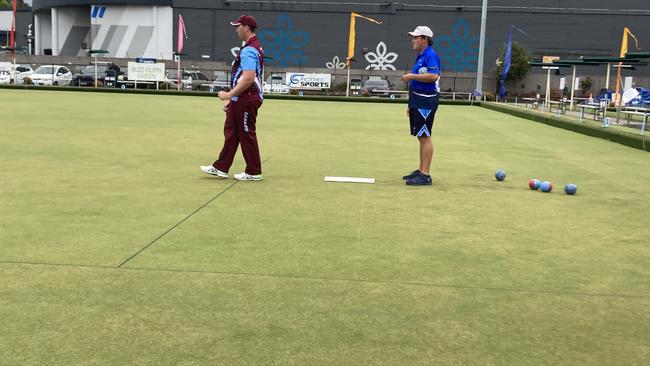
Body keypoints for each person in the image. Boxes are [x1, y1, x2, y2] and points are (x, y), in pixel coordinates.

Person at [200, 15, 265, 181]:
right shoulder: (251, 47)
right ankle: (221, 167)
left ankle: (254, 172)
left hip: (247, 99)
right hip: (241, 99)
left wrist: (229, 95)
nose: (236, 30)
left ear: (246, 28)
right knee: (232, 132)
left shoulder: (249, 50)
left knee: (246, 134)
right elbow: (242, 77)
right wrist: (232, 99)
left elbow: (249, 78)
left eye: (238, 26)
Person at [401, 26, 441, 186]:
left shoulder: (431, 55)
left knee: (424, 136)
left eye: (416, 37)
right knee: (420, 136)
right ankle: (421, 170)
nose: (413, 40)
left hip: (426, 100)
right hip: (418, 100)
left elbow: (433, 75)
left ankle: (425, 174)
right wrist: (410, 104)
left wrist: (411, 76)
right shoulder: (421, 55)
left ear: (425, 39)